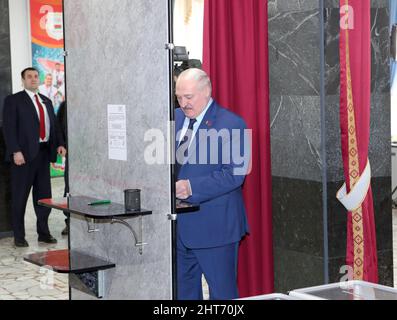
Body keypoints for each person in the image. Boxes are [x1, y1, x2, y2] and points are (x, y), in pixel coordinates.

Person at [174, 68, 250, 300]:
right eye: (179, 97)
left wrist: (191, 188)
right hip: (178, 229)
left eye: (189, 97)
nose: (184, 103)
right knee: (183, 294)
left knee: (222, 295)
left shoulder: (233, 123)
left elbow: (235, 175)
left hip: (216, 228)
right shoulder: (174, 118)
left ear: (206, 91)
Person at [2, 67, 67, 247]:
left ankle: (44, 233)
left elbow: (54, 126)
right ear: (22, 80)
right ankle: (19, 236)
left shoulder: (45, 101)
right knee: (20, 197)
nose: (33, 79)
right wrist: (15, 151)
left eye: (35, 76)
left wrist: (60, 144)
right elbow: (9, 128)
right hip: (23, 157)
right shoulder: (14, 101)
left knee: (44, 197)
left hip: (44, 154)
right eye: (29, 77)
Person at [56, 100, 69, 235]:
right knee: (69, 188)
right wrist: (62, 144)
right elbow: (58, 127)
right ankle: (69, 221)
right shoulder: (64, 105)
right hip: (71, 156)